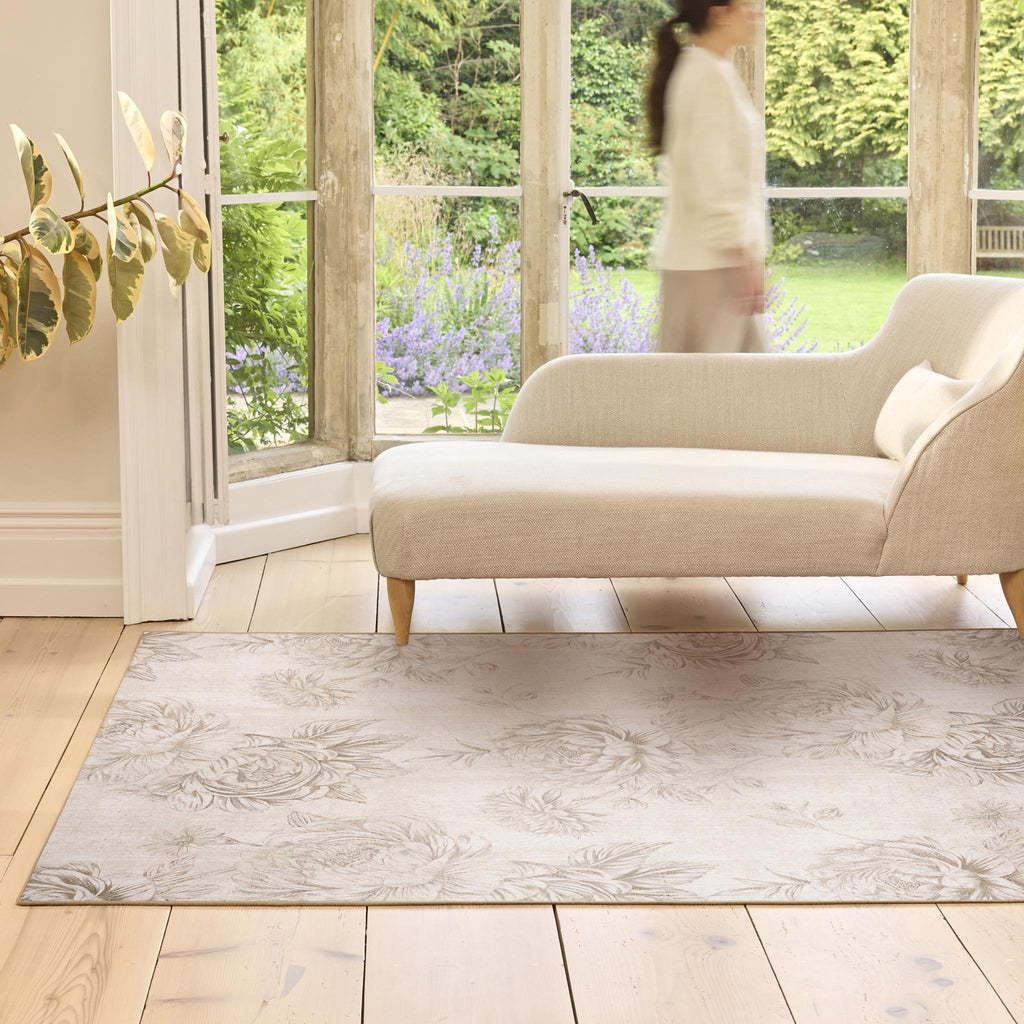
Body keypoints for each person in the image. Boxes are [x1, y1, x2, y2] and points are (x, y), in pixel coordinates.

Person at [647, 0, 768, 353]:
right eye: (747, 6)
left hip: (716, 262)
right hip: (709, 266)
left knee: (745, 389)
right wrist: (743, 258)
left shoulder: (712, 71)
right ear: (719, 14)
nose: (755, 13)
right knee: (713, 395)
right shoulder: (705, 76)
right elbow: (710, 177)